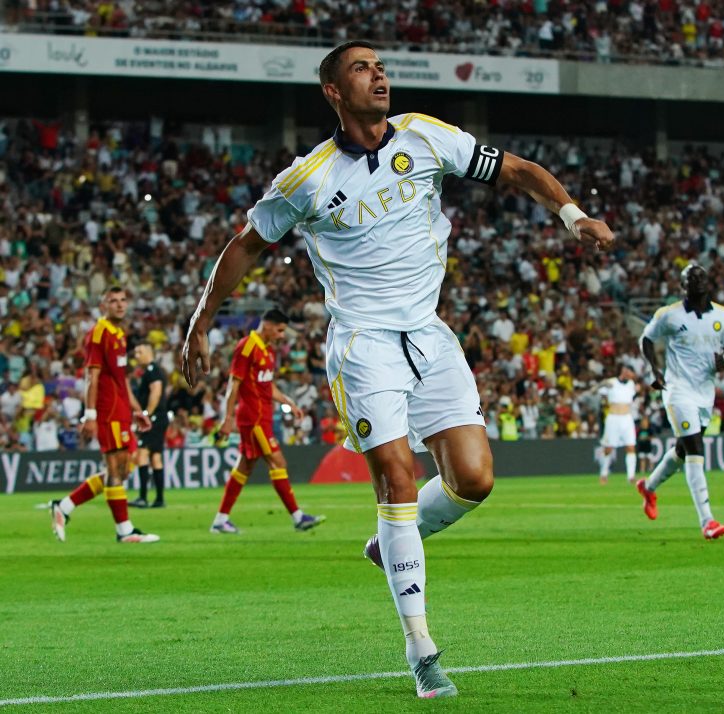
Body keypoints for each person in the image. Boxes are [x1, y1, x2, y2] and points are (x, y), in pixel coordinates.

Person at [180, 41, 613, 699]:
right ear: (332, 90)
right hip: (364, 344)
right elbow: (245, 245)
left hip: (430, 335)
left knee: (473, 479)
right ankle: (421, 648)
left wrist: (572, 215)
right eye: (362, 68)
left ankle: (392, 545)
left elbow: (517, 170)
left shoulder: (426, 136)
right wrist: (202, 319)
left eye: (381, 67)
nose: (378, 75)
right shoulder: (307, 178)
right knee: (397, 475)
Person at [49, 287, 159, 543]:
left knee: (123, 469)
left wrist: (137, 411)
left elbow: (122, 380)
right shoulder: (98, 333)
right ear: (103, 306)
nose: (120, 305)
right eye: (113, 301)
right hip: (107, 411)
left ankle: (64, 507)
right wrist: (90, 415)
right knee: (115, 470)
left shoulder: (119, 334)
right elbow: (92, 375)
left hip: (121, 410)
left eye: (123, 300)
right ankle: (125, 531)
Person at [636, 264, 724, 540]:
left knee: (682, 450)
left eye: (701, 277)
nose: (697, 282)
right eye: (690, 279)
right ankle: (708, 521)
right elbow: (646, 339)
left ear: (709, 282)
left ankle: (649, 487)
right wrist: (654, 370)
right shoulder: (669, 315)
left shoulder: (722, 316)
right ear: (683, 287)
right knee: (695, 449)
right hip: (677, 390)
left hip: (705, 391)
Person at [209, 309, 325, 534]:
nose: (282, 335)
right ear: (269, 325)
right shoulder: (247, 346)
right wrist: (228, 417)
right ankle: (298, 517)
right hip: (253, 418)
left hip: (263, 416)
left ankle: (220, 520)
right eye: (280, 330)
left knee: (245, 466)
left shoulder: (268, 350)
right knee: (278, 462)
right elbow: (234, 383)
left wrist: (287, 401)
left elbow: (267, 384)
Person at [130, 343, 168, 508]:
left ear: (149, 353)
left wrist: (147, 414)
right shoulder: (152, 370)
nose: (136, 355)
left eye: (140, 351)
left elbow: (156, 391)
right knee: (156, 457)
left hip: (154, 418)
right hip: (159, 418)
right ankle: (159, 499)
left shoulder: (152, 371)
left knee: (142, 454)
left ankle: (143, 497)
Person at [596, 365, 638, 483]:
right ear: (624, 371)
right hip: (613, 417)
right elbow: (599, 391)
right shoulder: (612, 382)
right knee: (608, 448)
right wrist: (602, 385)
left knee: (630, 446)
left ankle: (631, 476)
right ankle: (604, 474)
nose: (631, 374)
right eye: (630, 371)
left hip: (627, 417)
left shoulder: (631, 384)